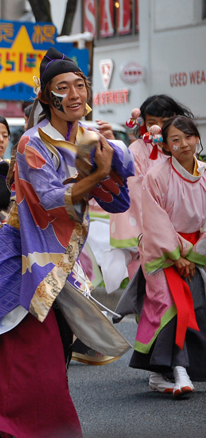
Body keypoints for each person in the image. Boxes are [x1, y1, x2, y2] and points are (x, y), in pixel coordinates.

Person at [0, 47, 135, 438]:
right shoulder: (32, 143)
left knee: (54, 351)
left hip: (60, 257)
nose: (75, 95)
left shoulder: (92, 139)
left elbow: (117, 200)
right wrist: (96, 174)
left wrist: (114, 163)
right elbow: (50, 197)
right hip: (21, 250)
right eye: (63, 88)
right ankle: (9, 423)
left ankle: (38, 426)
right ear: (46, 98)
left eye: (80, 85)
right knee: (13, 339)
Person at [115, 116, 206, 397]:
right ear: (165, 145)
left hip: (196, 250)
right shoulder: (157, 176)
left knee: (197, 304)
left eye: (188, 137)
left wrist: (194, 254)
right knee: (171, 304)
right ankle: (179, 370)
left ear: (197, 138)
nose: (183, 144)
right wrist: (178, 254)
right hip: (163, 251)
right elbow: (155, 221)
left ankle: (158, 372)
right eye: (175, 140)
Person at [105, 96, 195, 293]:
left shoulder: (183, 148)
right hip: (151, 236)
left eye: (165, 122)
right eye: (153, 123)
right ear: (143, 123)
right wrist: (167, 244)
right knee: (158, 301)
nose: (160, 128)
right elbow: (140, 200)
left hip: (189, 234)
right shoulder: (137, 151)